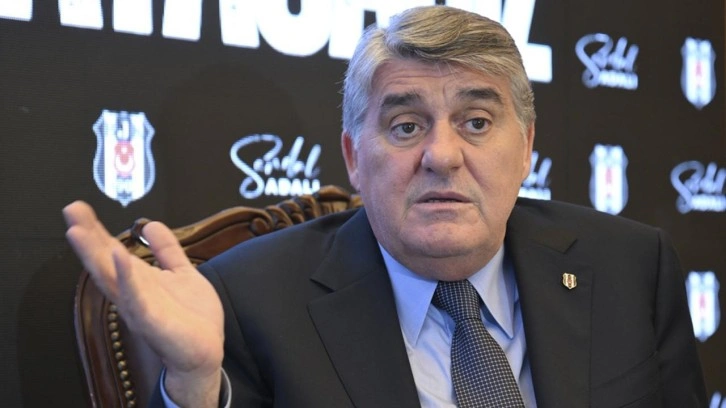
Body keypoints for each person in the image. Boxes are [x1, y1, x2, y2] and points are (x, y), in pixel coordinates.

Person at [63, 5, 707, 408]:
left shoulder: (629, 266)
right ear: (353, 154)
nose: (442, 155)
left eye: (477, 122)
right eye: (405, 126)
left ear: (527, 148)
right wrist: (196, 387)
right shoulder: (252, 297)